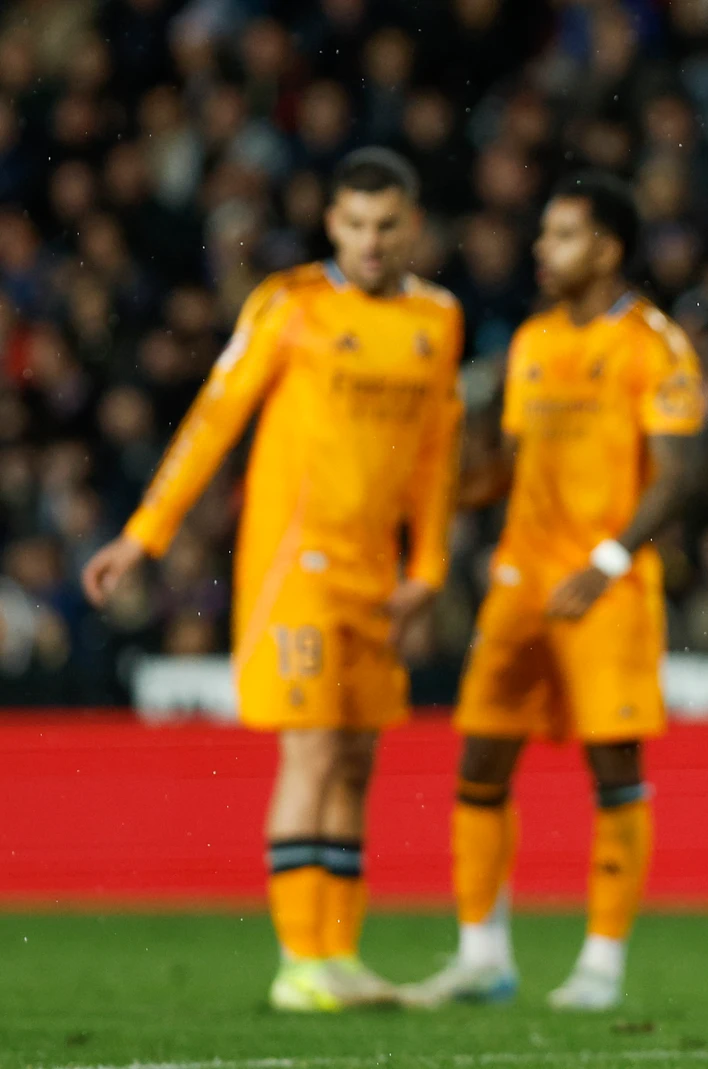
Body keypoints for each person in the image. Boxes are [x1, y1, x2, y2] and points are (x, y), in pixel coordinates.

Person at [81, 149, 463, 1012]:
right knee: (314, 748)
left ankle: (339, 953)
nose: (371, 241)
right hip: (297, 567)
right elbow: (215, 416)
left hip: (376, 573)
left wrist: (430, 567)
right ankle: (298, 960)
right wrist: (145, 532)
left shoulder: (438, 318)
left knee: (357, 758)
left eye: (386, 225)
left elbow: (435, 454)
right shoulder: (289, 304)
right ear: (333, 223)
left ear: (412, 226)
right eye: (355, 224)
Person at [400, 173, 702, 1012]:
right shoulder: (530, 340)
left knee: (614, 767)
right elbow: (503, 468)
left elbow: (679, 474)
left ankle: (601, 963)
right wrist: (435, 473)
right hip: (520, 579)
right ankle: (481, 957)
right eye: (544, 233)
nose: (542, 248)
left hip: (606, 585)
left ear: (606, 248)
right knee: (480, 759)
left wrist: (607, 560)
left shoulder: (654, 344)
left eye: (561, 234)